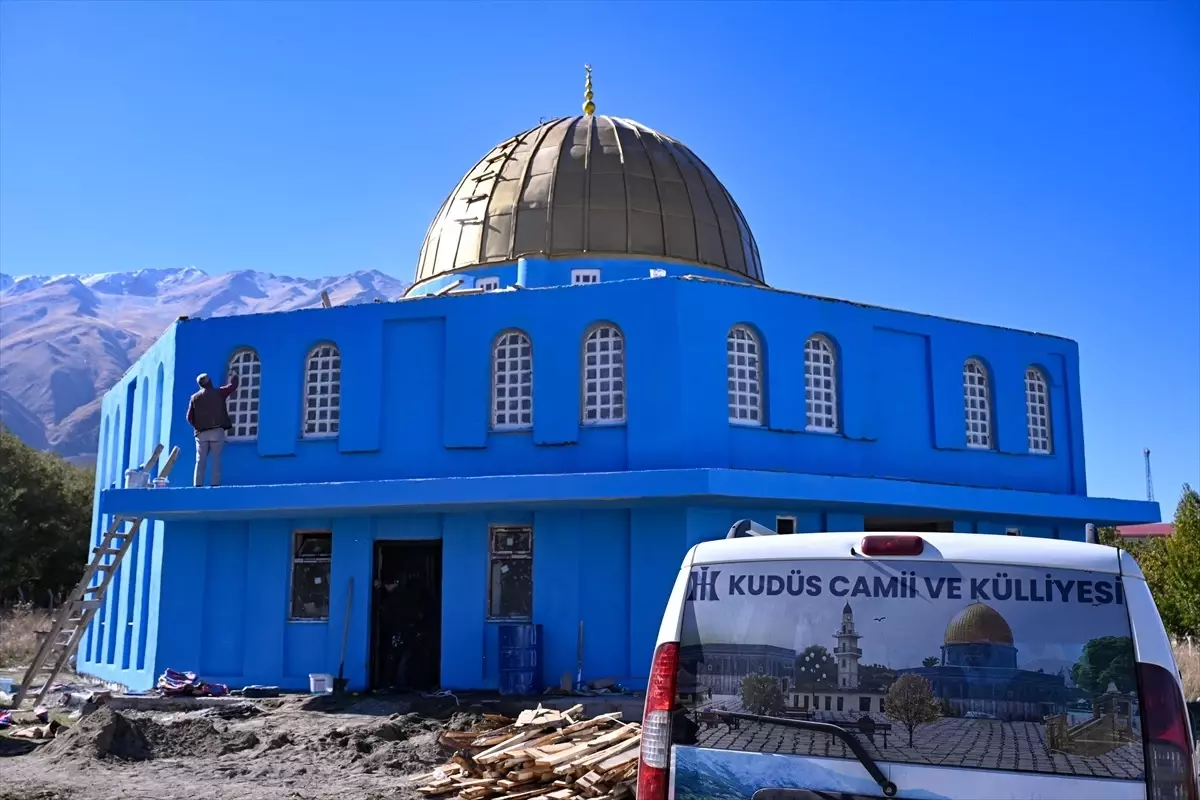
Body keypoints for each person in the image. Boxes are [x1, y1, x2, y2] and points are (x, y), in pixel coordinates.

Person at [186, 371, 239, 487]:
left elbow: (189, 417)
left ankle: (197, 485)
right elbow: (232, 387)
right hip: (216, 431)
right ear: (209, 382)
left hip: (201, 433)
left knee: (200, 460)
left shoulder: (194, 398)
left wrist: (199, 426)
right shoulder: (219, 393)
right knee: (216, 459)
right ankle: (215, 484)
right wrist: (234, 376)